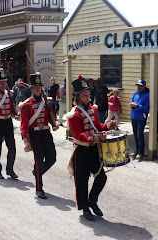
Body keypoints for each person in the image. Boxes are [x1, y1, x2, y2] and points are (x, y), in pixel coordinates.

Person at [67, 77, 117, 221]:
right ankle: (84, 208)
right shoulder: (73, 114)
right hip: (81, 151)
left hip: (94, 150)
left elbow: (97, 127)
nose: (88, 97)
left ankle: (92, 201)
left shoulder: (93, 110)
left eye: (88, 94)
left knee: (101, 176)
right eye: (84, 95)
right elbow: (79, 135)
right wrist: (96, 138)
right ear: (78, 97)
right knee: (81, 181)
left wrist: (108, 126)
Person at [20, 72, 59, 199]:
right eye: (35, 87)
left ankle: (37, 172)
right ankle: (39, 188)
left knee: (52, 158)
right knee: (38, 160)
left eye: (39, 87)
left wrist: (54, 124)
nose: (38, 89)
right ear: (31, 89)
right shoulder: (26, 105)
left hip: (46, 133)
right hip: (35, 134)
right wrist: (26, 140)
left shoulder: (46, 102)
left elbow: (50, 116)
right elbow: (24, 125)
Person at [129, 80, 150, 160]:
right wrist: (132, 105)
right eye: (138, 85)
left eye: (140, 86)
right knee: (135, 134)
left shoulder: (148, 95)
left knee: (139, 135)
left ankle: (141, 152)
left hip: (141, 118)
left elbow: (147, 108)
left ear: (144, 86)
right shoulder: (136, 93)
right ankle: (137, 150)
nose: (139, 87)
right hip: (134, 116)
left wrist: (137, 106)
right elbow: (133, 102)